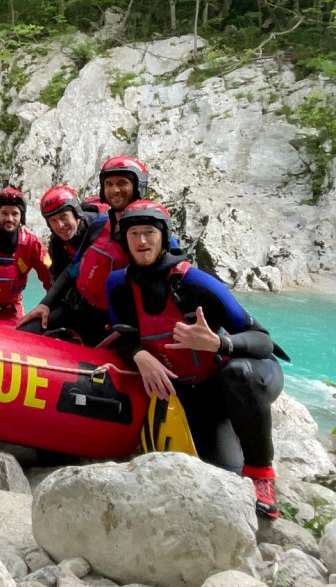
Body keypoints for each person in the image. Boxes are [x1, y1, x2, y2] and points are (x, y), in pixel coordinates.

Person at [106, 200, 287, 519]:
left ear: (163, 237)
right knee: (222, 484)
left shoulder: (197, 284)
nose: (142, 241)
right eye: (134, 234)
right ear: (125, 240)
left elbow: (263, 341)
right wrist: (139, 354)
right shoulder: (118, 286)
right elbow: (123, 335)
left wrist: (219, 342)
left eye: (149, 232)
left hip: (242, 376)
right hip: (197, 396)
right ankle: (236, 447)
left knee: (238, 374)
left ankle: (262, 476)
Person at [18, 155, 151, 346]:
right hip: (78, 306)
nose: (114, 190)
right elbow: (72, 269)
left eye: (123, 183)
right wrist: (45, 304)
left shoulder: (152, 236)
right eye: (109, 184)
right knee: (26, 332)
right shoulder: (98, 226)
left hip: (111, 322)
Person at [0, 188, 51, 326]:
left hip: (11, 308)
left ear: (21, 218)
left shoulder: (32, 243)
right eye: (4, 213)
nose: (9, 219)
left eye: (15, 214)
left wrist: (49, 305)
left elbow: (50, 275)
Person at [40, 185, 98, 280]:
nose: (60, 225)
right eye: (53, 220)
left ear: (76, 213)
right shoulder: (57, 240)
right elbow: (56, 276)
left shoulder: (99, 227)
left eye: (64, 217)